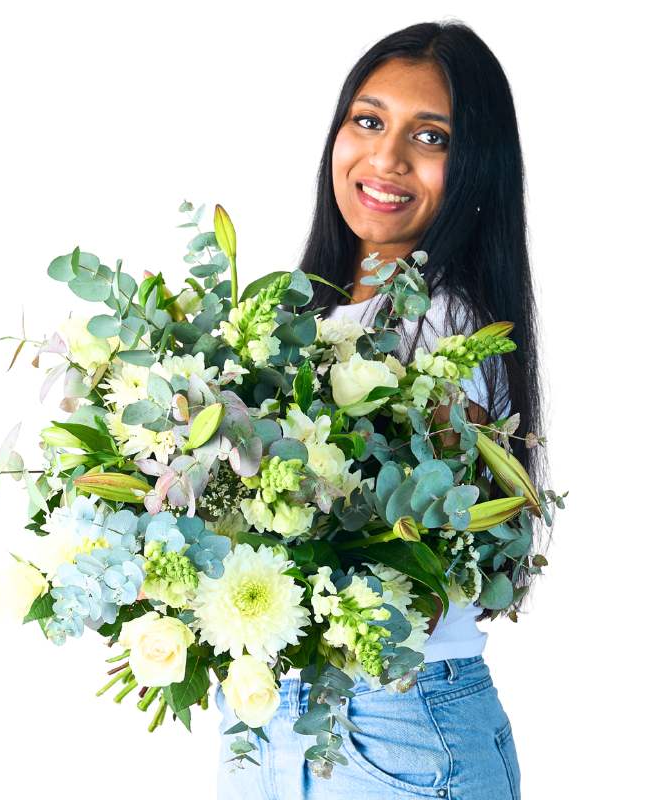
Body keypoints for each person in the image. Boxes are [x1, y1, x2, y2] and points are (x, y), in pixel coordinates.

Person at [216, 19, 549, 800]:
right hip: (267, 716)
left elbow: (422, 575)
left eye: (430, 137)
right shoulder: (299, 317)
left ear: (476, 165)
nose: (387, 157)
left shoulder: (448, 327)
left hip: (393, 722)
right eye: (368, 121)